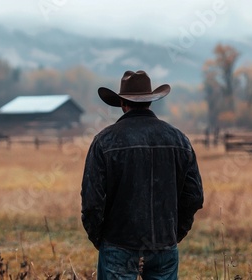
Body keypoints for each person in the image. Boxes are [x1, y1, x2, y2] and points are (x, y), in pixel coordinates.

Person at [81, 70, 204, 280]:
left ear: (122, 104)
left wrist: (101, 240)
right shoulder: (179, 140)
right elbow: (194, 197)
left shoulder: (104, 141)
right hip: (164, 245)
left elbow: (92, 203)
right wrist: (173, 234)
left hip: (118, 245)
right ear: (150, 101)